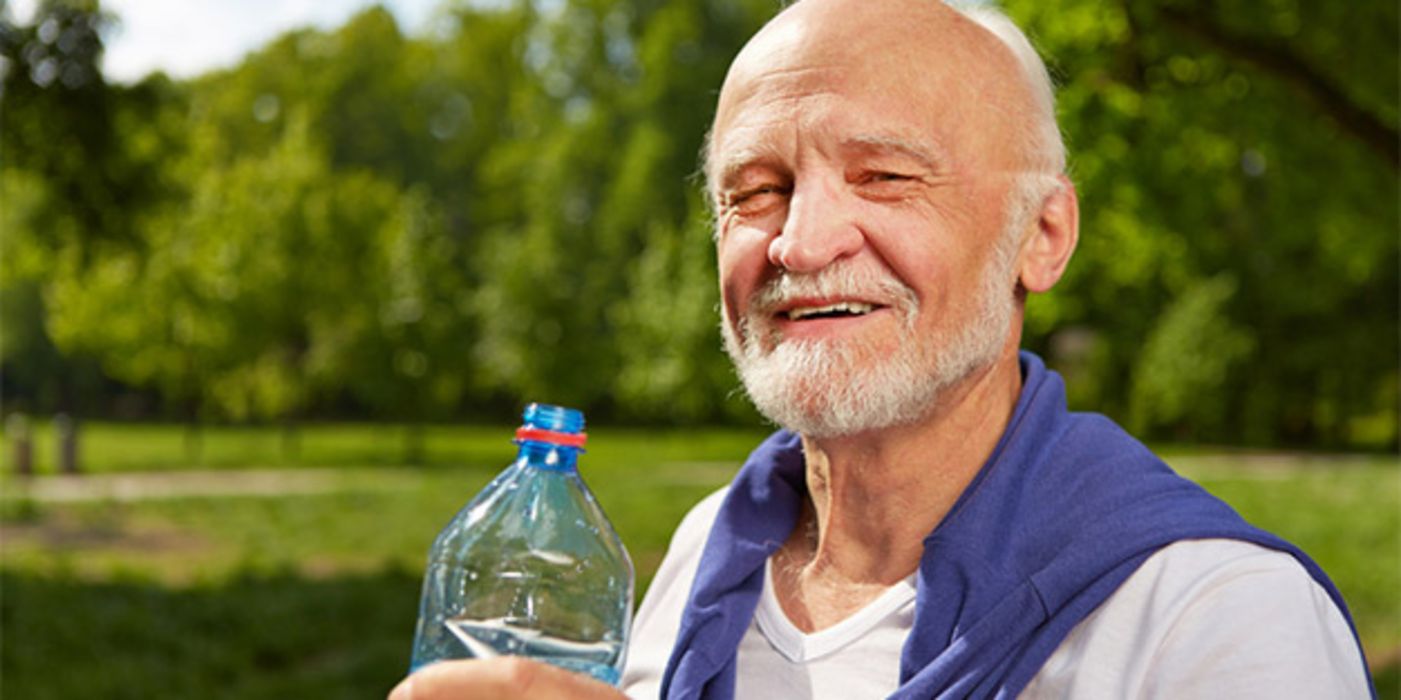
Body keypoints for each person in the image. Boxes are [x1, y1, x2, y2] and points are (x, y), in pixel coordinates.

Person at [388, 0, 1374, 698]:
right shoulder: (701, 556)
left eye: (888, 175)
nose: (802, 243)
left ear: (1044, 234)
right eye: (756, 191)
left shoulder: (1215, 623)